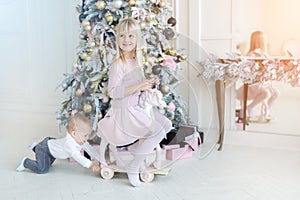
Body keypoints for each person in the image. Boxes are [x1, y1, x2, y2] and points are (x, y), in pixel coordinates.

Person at [97, 18, 172, 187]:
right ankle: (134, 165)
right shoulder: (118, 64)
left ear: (137, 38)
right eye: (122, 36)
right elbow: (114, 92)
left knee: (166, 124)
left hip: (137, 107)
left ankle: (137, 150)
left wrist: (148, 82)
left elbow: (135, 84)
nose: (126, 40)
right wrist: (139, 85)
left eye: (131, 35)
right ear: (117, 39)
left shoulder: (135, 61)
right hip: (124, 112)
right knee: (157, 131)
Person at [16, 113, 101, 174]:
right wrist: (90, 165)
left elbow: (90, 149)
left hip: (52, 148)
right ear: (74, 133)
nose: (87, 138)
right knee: (42, 169)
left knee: (48, 163)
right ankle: (25, 162)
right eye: (85, 135)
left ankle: (36, 147)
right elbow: (77, 156)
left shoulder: (79, 139)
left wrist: (100, 160)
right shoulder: (70, 144)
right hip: (46, 149)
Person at [236, 31, 280, 121]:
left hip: (262, 84)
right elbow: (250, 75)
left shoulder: (265, 55)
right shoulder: (251, 55)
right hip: (252, 86)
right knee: (266, 93)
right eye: (263, 41)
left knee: (276, 93)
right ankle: (249, 107)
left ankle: (265, 111)